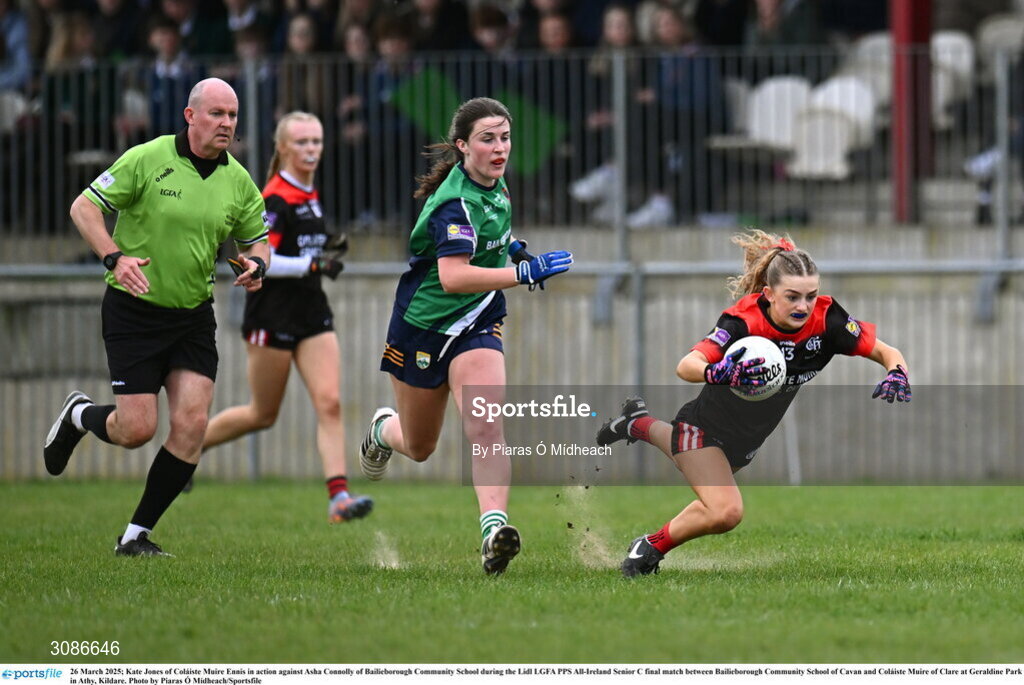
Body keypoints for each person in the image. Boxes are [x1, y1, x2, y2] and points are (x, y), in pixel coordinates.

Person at [596, 230, 911, 578]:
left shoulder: (827, 320)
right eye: (792, 296)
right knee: (725, 512)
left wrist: (896, 372)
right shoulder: (743, 322)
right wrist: (718, 371)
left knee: (707, 487)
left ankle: (635, 421)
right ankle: (649, 546)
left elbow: (886, 351)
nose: (803, 306)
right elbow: (686, 365)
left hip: (743, 442)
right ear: (769, 294)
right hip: (701, 430)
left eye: (811, 295)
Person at [43, 78, 271, 557]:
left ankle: (135, 536)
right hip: (134, 313)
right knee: (137, 430)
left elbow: (257, 241)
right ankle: (80, 415)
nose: (227, 123)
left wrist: (257, 265)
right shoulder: (147, 158)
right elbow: (83, 208)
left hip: (193, 316)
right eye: (216, 114)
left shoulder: (239, 181)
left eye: (232, 115)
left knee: (191, 425)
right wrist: (114, 258)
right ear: (190, 116)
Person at [357, 97, 574, 574]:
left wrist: (513, 249)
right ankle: (380, 431)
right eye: (487, 139)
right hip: (423, 327)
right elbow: (453, 276)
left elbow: (492, 236)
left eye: (505, 137)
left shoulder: (494, 182)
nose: (501, 149)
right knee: (419, 446)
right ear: (462, 146)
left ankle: (493, 533)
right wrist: (523, 273)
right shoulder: (453, 203)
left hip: (477, 320)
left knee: (487, 427)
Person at [202, 111, 373, 524]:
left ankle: (339, 498)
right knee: (262, 413)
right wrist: (311, 267)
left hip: (311, 311)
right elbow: (260, 261)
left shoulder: (310, 190)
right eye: (302, 142)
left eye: (316, 141)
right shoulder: (275, 196)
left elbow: (300, 245)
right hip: (272, 312)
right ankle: (189, 449)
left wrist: (324, 249)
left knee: (329, 403)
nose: (311, 149)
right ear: (282, 148)